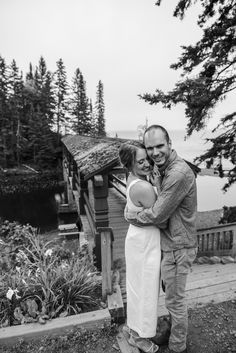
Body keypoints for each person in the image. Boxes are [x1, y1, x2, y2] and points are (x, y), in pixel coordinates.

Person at [126, 125, 198, 353]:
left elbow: (158, 214)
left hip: (178, 246)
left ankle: (178, 347)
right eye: (150, 148)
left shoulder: (177, 173)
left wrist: (132, 216)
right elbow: (162, 201)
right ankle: (172, 334)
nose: (155, 153)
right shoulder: (164, 169)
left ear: (169, 144)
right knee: (171, 298)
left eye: (160, 146)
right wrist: (156, 184)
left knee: (175, 301)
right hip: (170, 244)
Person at [119, 141, 161, 353]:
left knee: (137, 286)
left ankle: (133, 327)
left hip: (138, 239)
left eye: (147, 159)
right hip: (146, 243)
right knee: (146, 288)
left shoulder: (134, 179)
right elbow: (162, 216)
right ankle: (140, 337)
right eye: (141, 161)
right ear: (130, 164)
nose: (147, 164)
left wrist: (131, 216)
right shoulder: (143, 186)